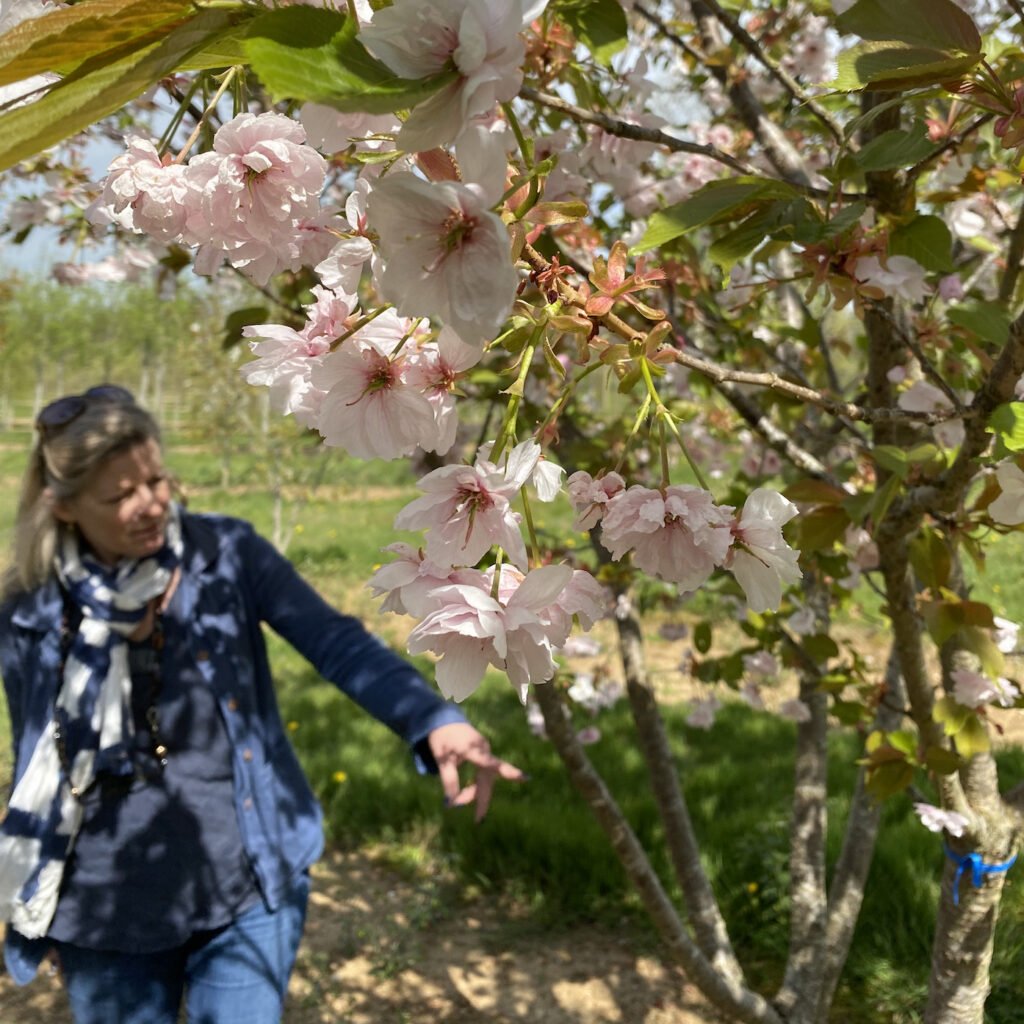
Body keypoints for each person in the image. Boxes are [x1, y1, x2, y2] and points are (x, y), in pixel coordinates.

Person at [0, 384, 523, 1024]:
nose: (150, 506)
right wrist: (35, 888)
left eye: (157, 481)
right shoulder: (29, 611)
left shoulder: (224, 555)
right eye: (119, 496)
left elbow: (336, 642)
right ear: (63, 507)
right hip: (106, 909)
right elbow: (36, 760)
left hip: (247, 886)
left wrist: (432, 718)